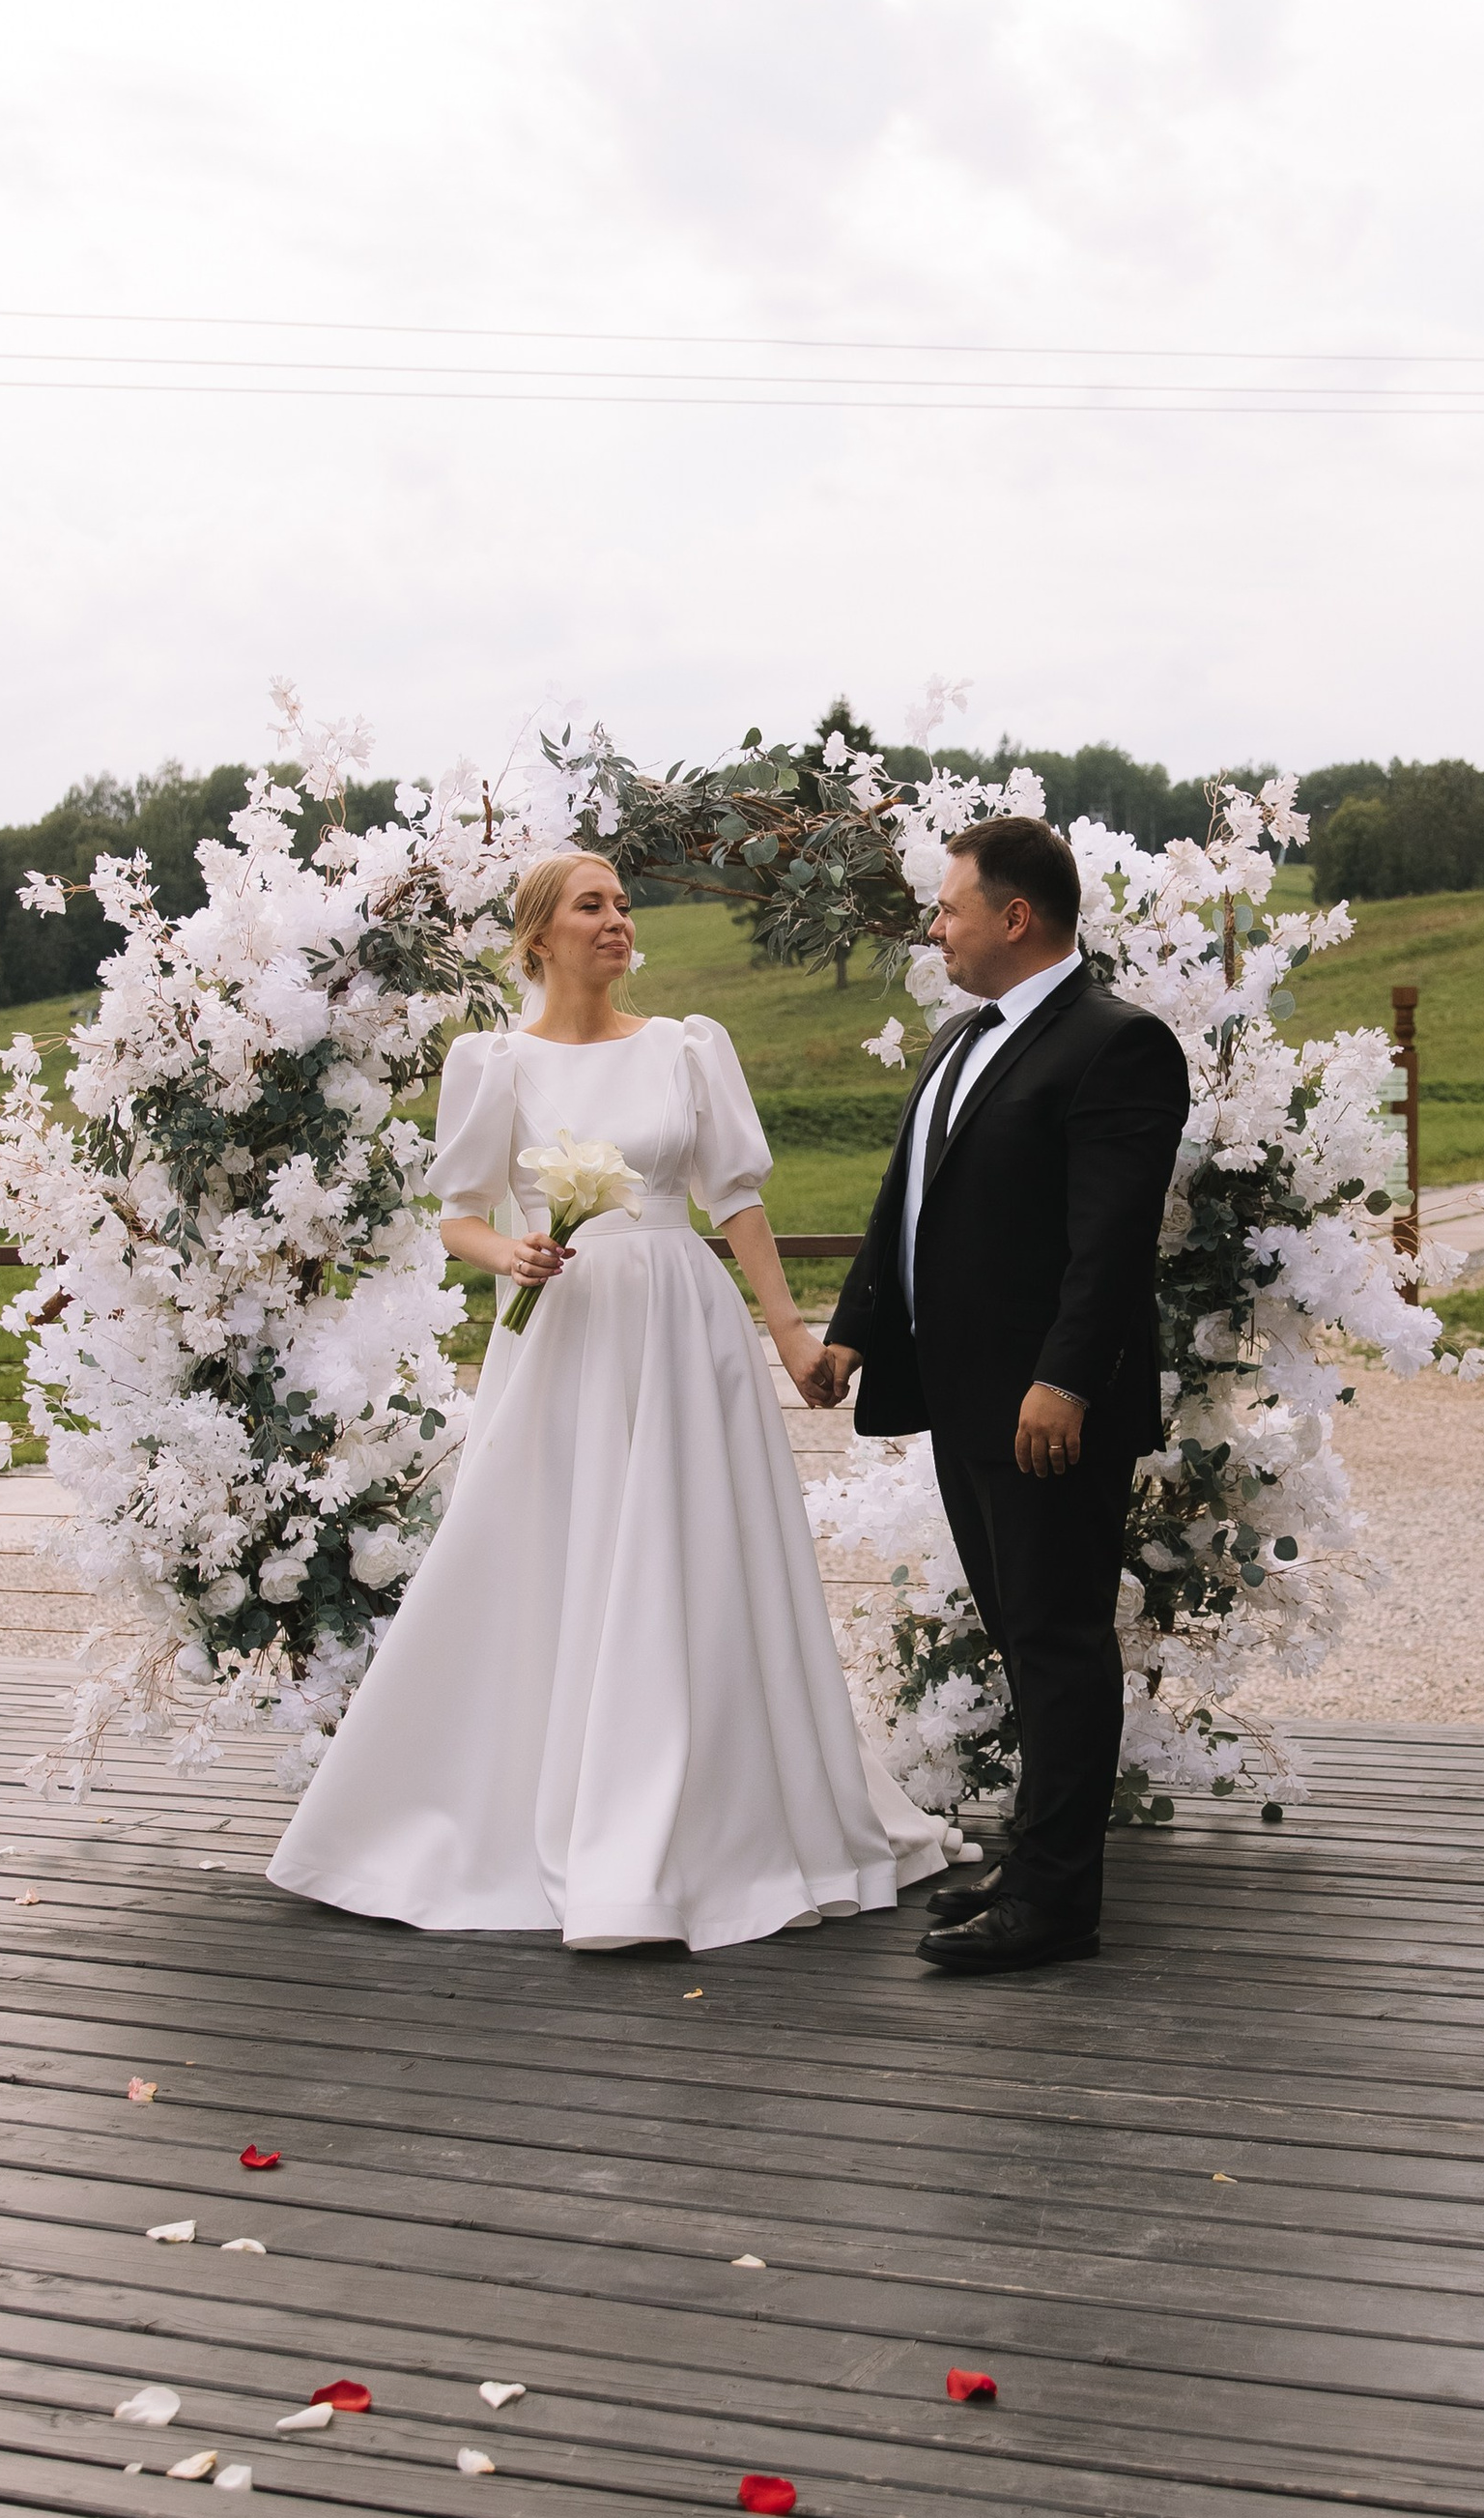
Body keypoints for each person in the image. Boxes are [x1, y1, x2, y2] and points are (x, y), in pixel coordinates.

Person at [266, 850, 951, 1952]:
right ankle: (530, 1805)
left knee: (690, 1554)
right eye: (593, 905)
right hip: (564, 1336)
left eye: (625, 904)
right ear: (539, 934)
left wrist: (788, 1332)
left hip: (683, 1327)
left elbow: (734, 1196)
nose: (618, 921)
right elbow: (459, 1214)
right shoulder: (493, 1062)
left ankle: (705, 1811)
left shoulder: (687, 1046)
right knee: (554, 1554)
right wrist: (514, 1251)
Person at [812, 817, 1190, 1974]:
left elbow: (1110, 1245)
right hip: (968, 1401)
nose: (936, 926)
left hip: (1045, 1414)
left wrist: (1064, 1380)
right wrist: (853, 1332)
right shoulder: (960, 1041)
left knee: (1060, 1641)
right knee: (1025, 1641)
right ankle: (1033, 1861)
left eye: (949, 906)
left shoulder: (1117, 1045)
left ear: (1014, 917)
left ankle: (1058, 1906)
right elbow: (905, 1205)